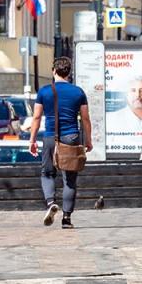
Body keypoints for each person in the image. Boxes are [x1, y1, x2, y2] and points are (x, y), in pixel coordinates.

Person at [29, 56, 93, 229]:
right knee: (70, 179)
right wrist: (88, 140)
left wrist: (32, 140)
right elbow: (85, 119)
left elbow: (36, 117)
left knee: (47, 173)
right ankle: (66, 218)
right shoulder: (78, 92)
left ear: (53, 71)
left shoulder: (44, 92)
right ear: (69, 73)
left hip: (50, 137)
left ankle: (51, 203)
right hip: (71, 137)